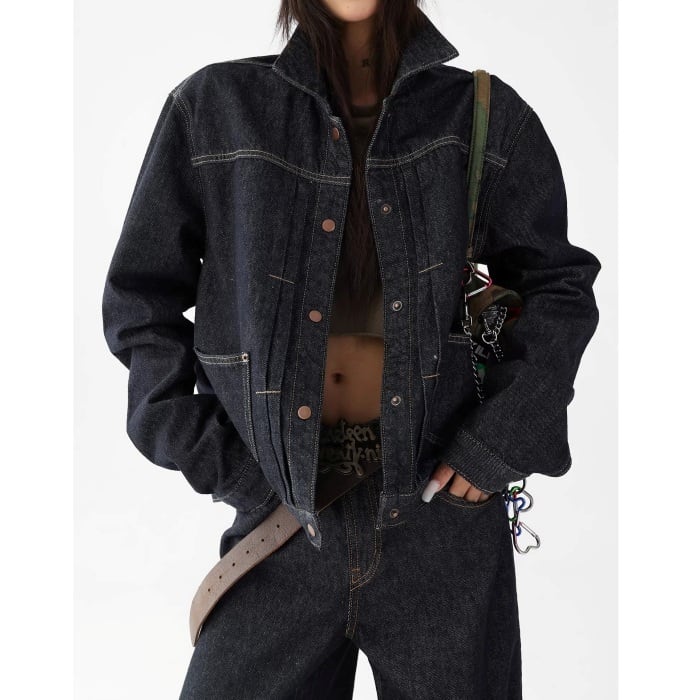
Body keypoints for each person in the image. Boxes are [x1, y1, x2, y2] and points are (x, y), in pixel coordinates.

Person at [102, 1, 602, 697]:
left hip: (443, 535)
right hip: (280, 532)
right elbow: (139, 304)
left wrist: (497, 445)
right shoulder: (214, 110)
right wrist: (230, 468)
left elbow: (558, 289)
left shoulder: (485, 117)